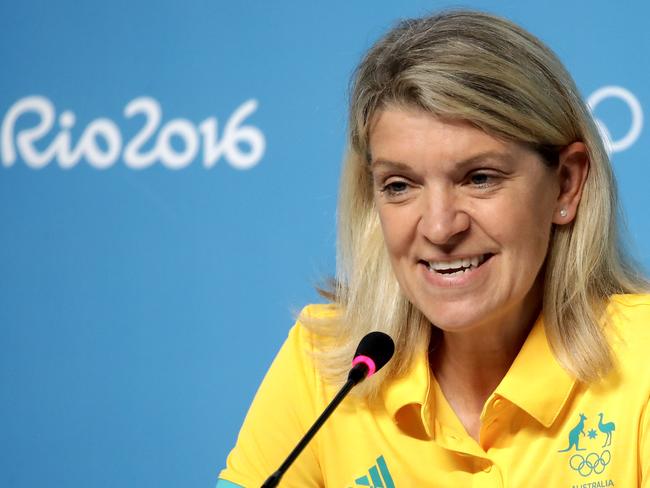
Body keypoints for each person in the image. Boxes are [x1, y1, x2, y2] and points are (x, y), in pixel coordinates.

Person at [217, 10, 650, 487]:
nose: (441, 227)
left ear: (566, 185)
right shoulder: (327, 363)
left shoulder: (643, 356)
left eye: (479, 178)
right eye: (400, 185)